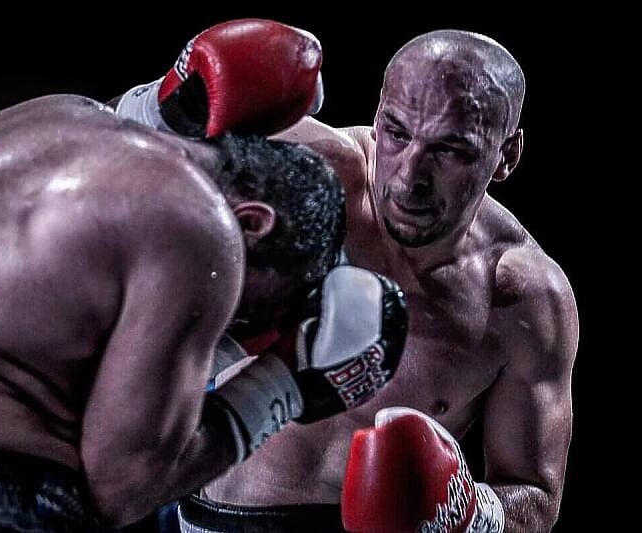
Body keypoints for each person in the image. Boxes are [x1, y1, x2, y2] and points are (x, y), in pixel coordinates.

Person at [0, 20, 410, 532]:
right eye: (246, 308)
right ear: (252, 222)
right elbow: (126, 485)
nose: (225, 329)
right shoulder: (199, 222)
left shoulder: (60, 117)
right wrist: (282, 383)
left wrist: (178, 102)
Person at [178, 29, 579, 532]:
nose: (410, 177)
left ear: (507, 155)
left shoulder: (525, 298)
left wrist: (473, 514)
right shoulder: (303, 172)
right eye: (397, 132)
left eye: (451, 149)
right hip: (209, 513)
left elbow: (537, 497)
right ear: (378, 113)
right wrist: (165, 107)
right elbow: (107, 149)